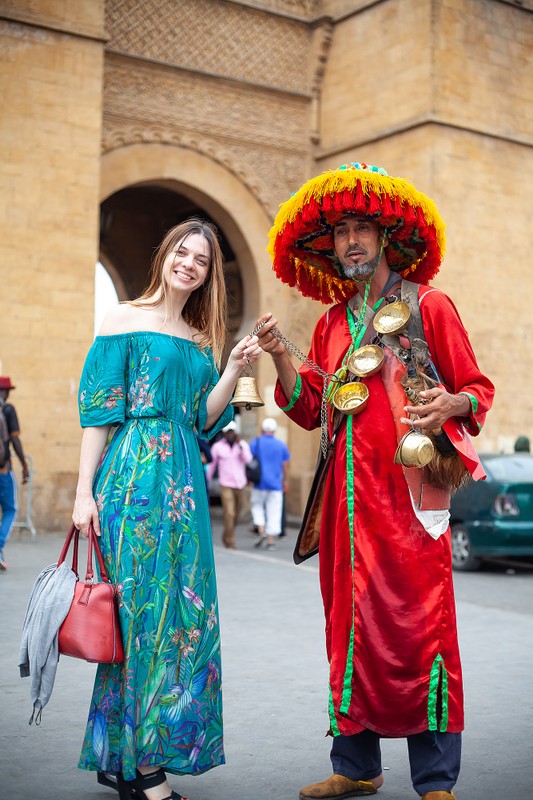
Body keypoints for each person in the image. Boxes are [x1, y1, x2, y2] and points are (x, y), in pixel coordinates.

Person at [255, 163, 495, 800]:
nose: (351, 241)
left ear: (385, 237)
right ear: (329, 247)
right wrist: (282, 353)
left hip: (412, 502)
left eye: (362, 228)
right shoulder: (332, 324)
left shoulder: (428, 305)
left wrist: (451, 404)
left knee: (421, 626)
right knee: (348, 623)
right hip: (344, 505)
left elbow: (479, 390)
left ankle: (436, 778)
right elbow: (311, 410)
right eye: (341, 232)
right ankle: (356, 766)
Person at [72, 218, 261, 800]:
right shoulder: (123, 318)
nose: (189, 264)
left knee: (182, 616)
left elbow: (204, 419)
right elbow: (100, 411)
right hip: (133, 479)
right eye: (183, 252)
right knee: (140, 616)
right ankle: (144, 771)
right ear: (165, 256)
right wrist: (83, 492)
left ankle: (135, 755)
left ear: (207, 275)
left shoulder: (200, 338)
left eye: (201, 260)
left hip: (183, 482)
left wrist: (232, 368)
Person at [206, 420, 252, 549]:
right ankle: (230, 541)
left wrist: (241, 446)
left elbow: (248, 460)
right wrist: (207, 481)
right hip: (226, 484)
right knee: (230, 513)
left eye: (232, 432)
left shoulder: (242, 444)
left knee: (237, 514)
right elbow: (211, 465)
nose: (230, 435)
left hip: (240, 484)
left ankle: (227, 534)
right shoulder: (218, 447)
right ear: (224, 434)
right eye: (228, 432)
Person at [0, 376, 29, 570]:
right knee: (10, 509)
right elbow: (14, 441)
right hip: (3, 469)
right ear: (7, 392)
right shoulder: (8, 410)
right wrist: (24, 464)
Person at [250, 417, 290, 550]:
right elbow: (285, 464)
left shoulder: (256, 442)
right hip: (275, 483)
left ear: (262, 429)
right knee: (274, 510)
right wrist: (284, 480)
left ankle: (261, 530)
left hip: (259, 482)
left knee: (257, 506)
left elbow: (250, 461)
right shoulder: (281, 445)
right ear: (274, 430)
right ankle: (271, 540)